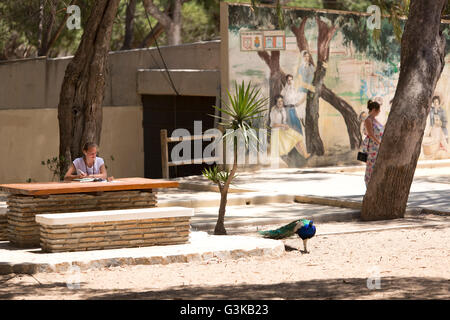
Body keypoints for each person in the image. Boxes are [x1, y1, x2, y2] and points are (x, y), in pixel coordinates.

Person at [270, 95, 310, 159]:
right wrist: (283, 125)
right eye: (278, 102)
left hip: (284, 130)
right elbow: (273, 125)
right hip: (277, 132)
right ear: (275, 103)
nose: (280, 103)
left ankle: (305, 155)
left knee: (298, 137)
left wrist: (286, 126)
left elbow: (284, 121)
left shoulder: (283, 110)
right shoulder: (273, 111)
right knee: (284, 149)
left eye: (281, 101)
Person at [363, 100, 384, 187]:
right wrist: (379, 143)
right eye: (378, 110)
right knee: (371, 167)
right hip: (372, 147)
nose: (379, 111)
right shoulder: (368, 120)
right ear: (374, 109)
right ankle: (368, 185)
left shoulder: (375, 120)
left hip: (377, 146)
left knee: (376, 167)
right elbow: (370, 134)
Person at [295, 50, 315, 125]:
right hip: (302, 89)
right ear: (303, 57)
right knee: (299, 109)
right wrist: (306, 86)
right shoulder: (300, 68)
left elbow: (312, 79)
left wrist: (309, 87)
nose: (307, 58)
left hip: (309, 89)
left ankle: (305, 122)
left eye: (308, 56)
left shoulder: (311, 67)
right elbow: (300, 81)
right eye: (305, 56)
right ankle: (302, 121)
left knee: (305, 109)